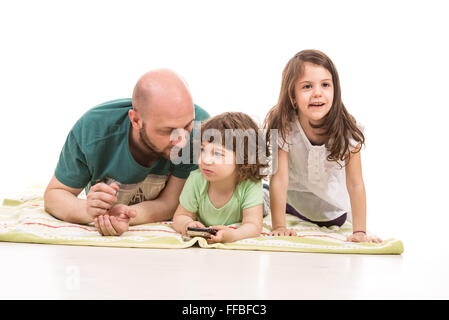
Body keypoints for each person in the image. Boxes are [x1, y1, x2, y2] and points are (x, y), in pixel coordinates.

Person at [44, 69, 210, 236]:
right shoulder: (92, 130)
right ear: (136, 120)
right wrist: (87, 210)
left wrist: (124, 216)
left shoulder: (200, 131)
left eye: (187, 125)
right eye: (168, 131)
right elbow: (55, 195)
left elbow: (171, 202)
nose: (182, 140)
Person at [264, 49, 382, 243]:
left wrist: (360, 231)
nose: (317, 93)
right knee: (259, 195)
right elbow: (279, 178)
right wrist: (279, 226)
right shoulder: (285, 125)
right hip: (291, 202)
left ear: (335, 91)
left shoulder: (347, 130)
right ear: (292, 96)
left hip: (332, 212)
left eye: (325, 85)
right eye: (307, 86)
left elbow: (355, 183)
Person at [172, 112, 267, 243]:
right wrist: (187, 224)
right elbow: (180, 216)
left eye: (217, 153)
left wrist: (233, 235)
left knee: (265, 199)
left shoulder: (250, 184)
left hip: (262, 198)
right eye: (203, 149)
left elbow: (253, 226)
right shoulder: (196, 179)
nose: (205, 159)